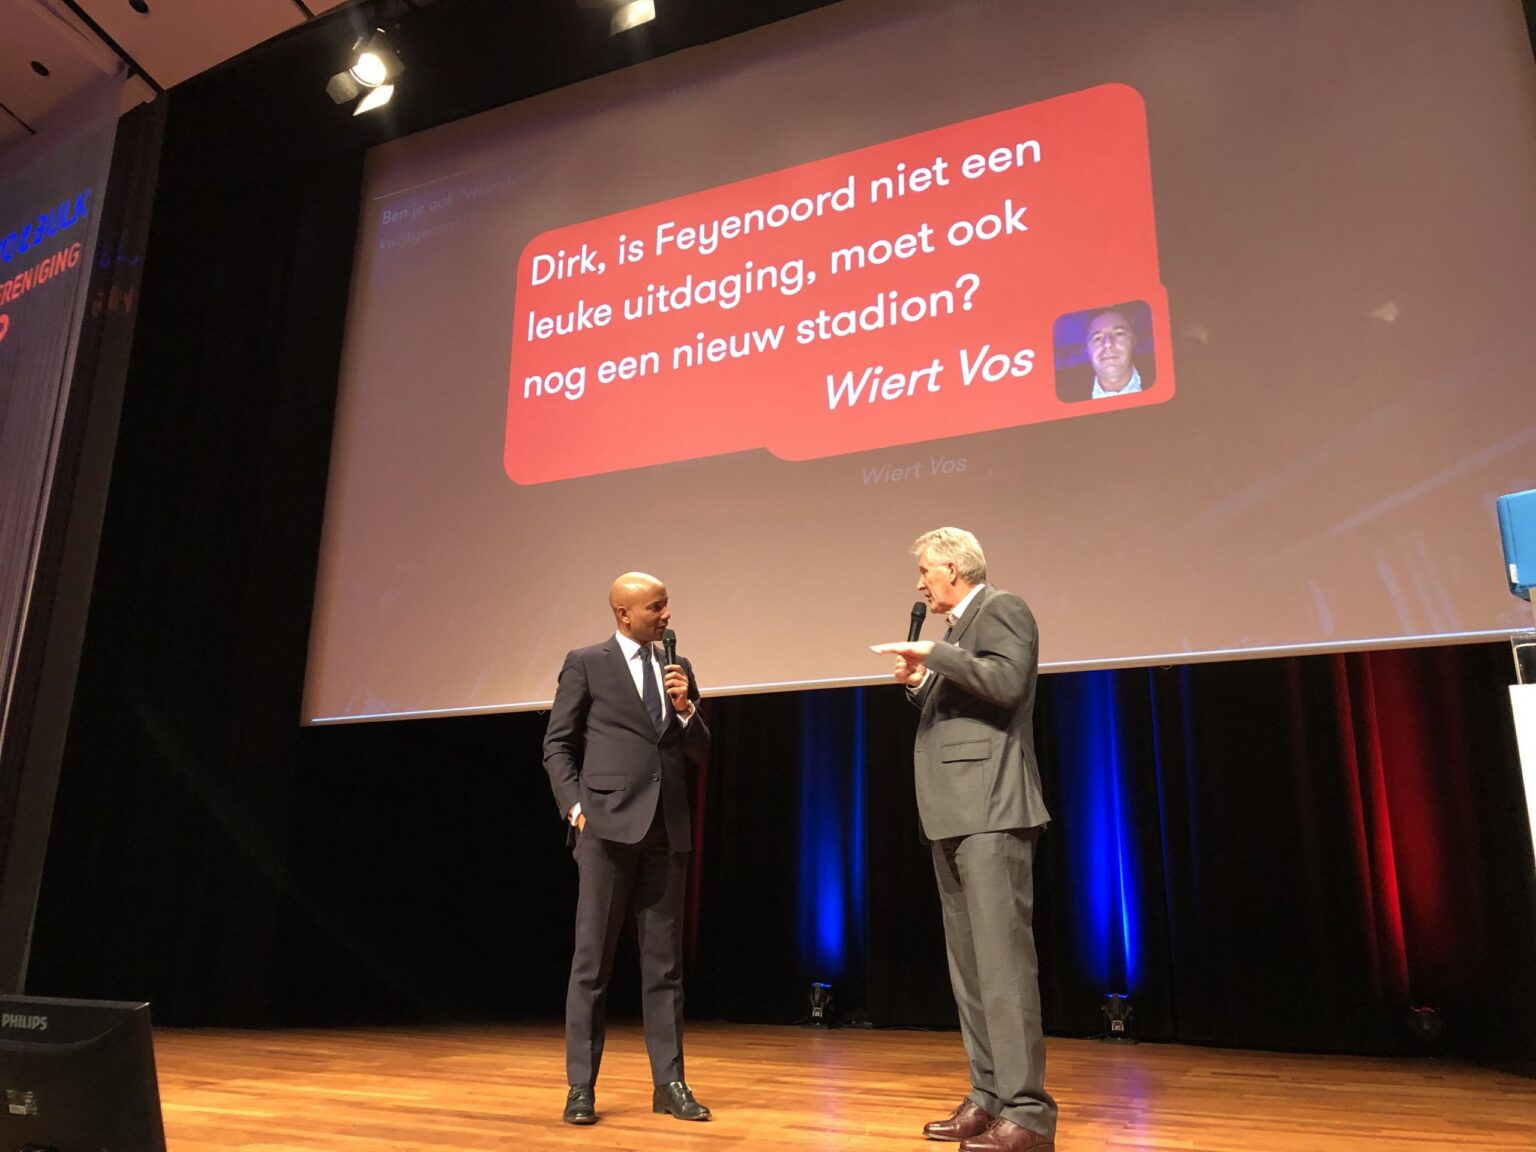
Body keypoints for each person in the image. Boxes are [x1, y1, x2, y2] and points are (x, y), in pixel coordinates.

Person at [871, 528, 1057, 1152]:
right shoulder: (957, 633)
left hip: (992, 811)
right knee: (971, 970)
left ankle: (1028, 1114)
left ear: (953, 566)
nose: (921, 582)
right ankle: (988, 1096)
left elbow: (1007, 685)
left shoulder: (1003, 608)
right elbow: (967, 707)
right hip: (953, 815)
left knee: (1003, 968)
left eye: (926, 569)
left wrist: (934, 655)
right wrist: (921, 682)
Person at [542, 572, 712, 1126]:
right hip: (606, 832)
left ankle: (670, 1083)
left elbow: (700, 748)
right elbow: (558, 744)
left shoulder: (677, 670)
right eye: (656, 607)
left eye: (666, 605)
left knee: (664, 967)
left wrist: (686, 709)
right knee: (592, 964)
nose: (666, 615)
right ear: (624, 614)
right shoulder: (586, 662)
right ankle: (580, 1086)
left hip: (667, 832)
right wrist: (576, 808)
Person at [1057, 307, 1146, 402]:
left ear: (1133, 340)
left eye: (1119, 334)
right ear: (1087, 349)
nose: (1107, 344)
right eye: (1097, 338)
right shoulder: (1068, 399)